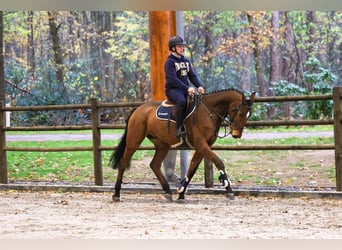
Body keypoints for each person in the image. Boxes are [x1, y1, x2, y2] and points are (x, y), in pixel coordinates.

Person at [165, 35, 205, 138]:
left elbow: (192, 76)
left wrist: (199, 85)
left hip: (184, 89)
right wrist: (187, 88)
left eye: (182, 46)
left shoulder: (186, 61)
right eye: (179, 46)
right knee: (182, 101)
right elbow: (173, 79)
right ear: (173, 48)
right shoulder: (170, 62)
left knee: (198, 101)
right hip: (173, 89)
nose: (182, 48)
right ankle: (178, 128)